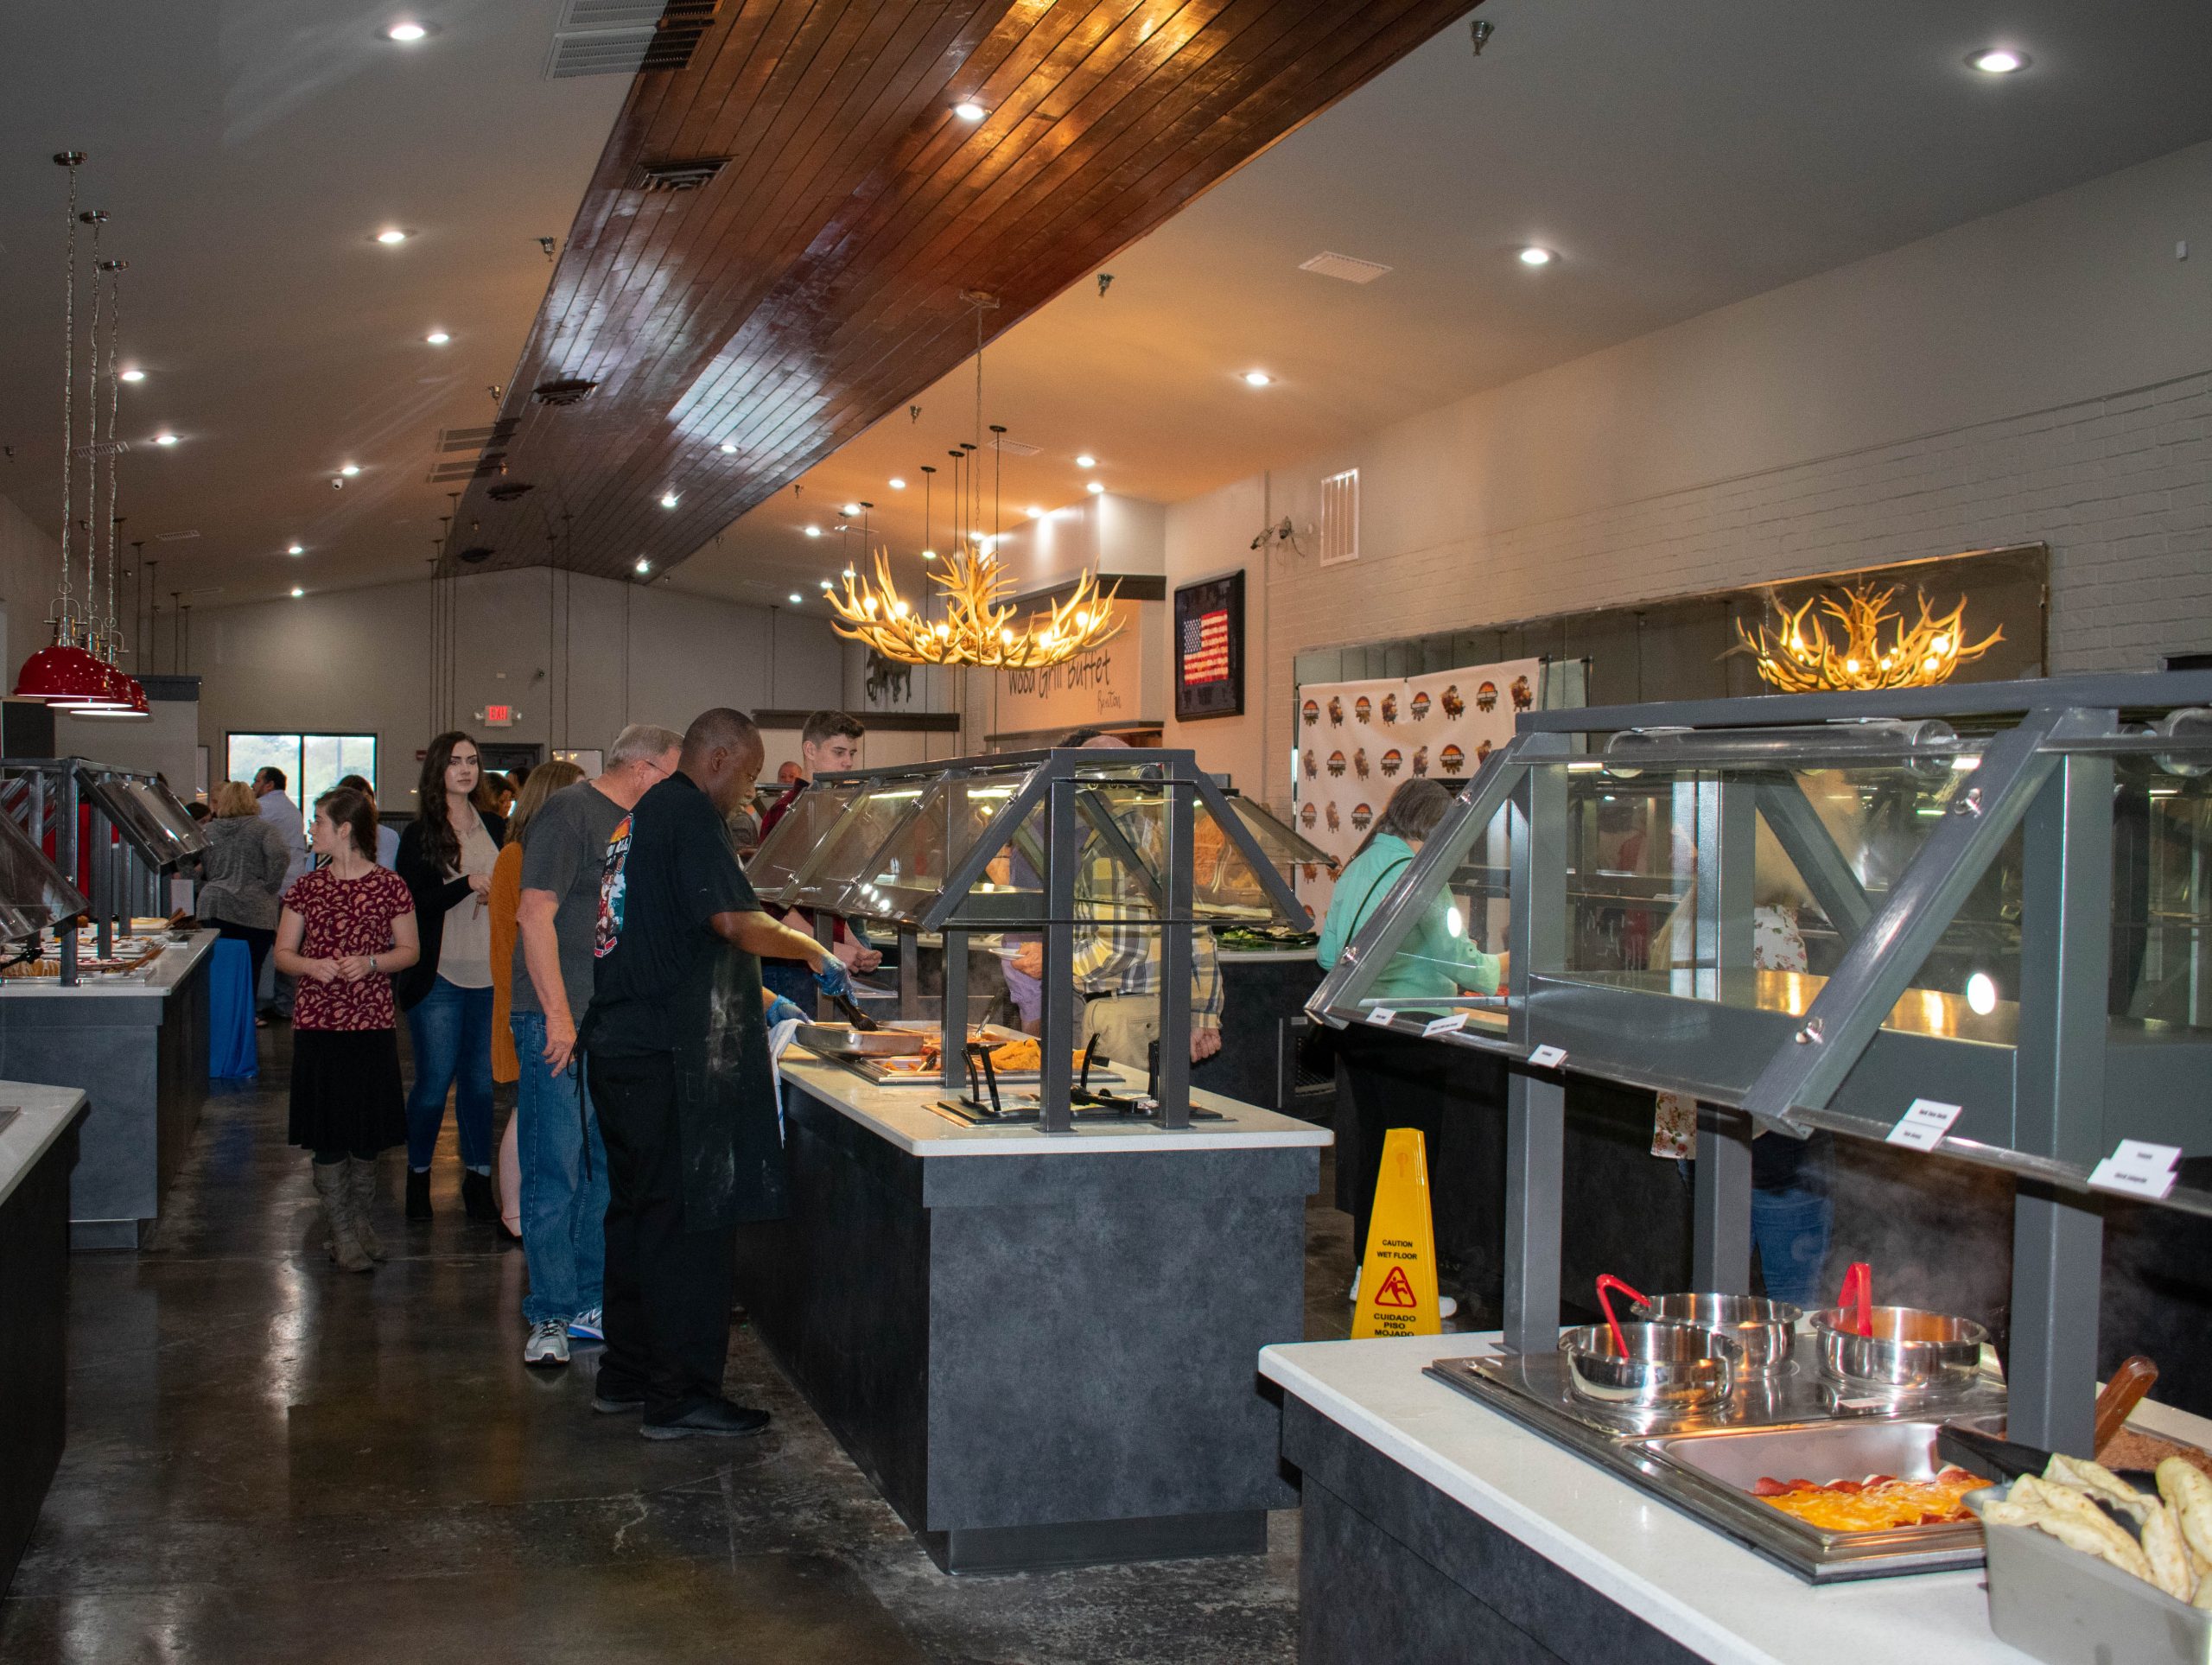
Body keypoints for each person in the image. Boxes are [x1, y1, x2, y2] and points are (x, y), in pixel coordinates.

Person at [582, 708, 842, 1438]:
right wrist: (811, 949)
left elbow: (671, 935)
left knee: (636, 1218)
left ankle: (626, 1373)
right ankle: (680, 1394)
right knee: (687, 1228)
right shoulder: (690, 814)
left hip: (622, 1047)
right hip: (669, 1055)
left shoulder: (641, 817)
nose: (749, 791)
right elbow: (731, 921)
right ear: (720, 758)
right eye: (751, 775)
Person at [511, 726, 681, 1368]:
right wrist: (558, 1017)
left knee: (605, 1167)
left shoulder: (637, 823)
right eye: (671, 776)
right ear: (643, 768)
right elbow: (534, 914)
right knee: (554, 1165)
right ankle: (550, 1309)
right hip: (558, 1018)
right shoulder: (571, 811)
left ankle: (589, 1298)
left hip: (612, 1020)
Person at [1316, 778, 1505, 1319]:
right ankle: (1410, 1280)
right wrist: (1498, 968)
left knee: (1377, 1150)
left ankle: (1367, 1271)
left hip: (1359, 1027)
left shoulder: (1361, 864)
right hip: (1410, 1031)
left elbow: (1329, 954)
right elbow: (1455, 956)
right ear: (1435, 824)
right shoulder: (1419, 873)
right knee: (1414, 1156)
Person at [1009, 730, 1224, 1068]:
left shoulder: (1110, 847)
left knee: (1111, 1101)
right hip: (1155, 1012)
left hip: (1119, 1020)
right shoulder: (1158, 835)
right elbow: (1197, 935)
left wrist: (1053, 959)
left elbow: (1120, 948)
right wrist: (1203, 1014)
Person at [273, 787, 420, 1274]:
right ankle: (340, 1229)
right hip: (318, 1024)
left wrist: (372, 962)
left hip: (371, 1021)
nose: (311, 828)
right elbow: (283, 953)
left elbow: (410, 950)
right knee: (329, 1130)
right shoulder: (307, 887)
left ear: (345, 829)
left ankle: (359, 1222)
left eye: (318, 820)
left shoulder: (390, 886)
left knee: (368, 1131)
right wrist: (311, 967)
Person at [395, 732, 507, 1223]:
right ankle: (418, 1175)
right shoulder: (418, 834)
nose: (466, 769)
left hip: (489, 974)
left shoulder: (497, 826)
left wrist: (498, 893)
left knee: (481, 1088)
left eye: (473, 761)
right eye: (456, 761)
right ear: (437, 768)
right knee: (434, 1085)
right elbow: (412, 904)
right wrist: (466, 885)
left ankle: (478, 1180)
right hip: (438, 975)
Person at [755, 710, 880, 1006]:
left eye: (851, 753)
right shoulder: (789, 811)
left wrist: (856, 947)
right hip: (792, 967)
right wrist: (827, 948)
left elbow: (825, 900)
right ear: (810, 750)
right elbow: (773, 903)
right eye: (838, 752)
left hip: (823, 959)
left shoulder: (835, 810)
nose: (848, 762)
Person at [196, 781, 294, 1017]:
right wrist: (270, 886)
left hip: (215, 904)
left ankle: (220, 1023)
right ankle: (245, 1021)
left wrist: (203, 885)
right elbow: (281, 855)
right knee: (251, 971)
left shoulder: (207, 831)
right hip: (255, 908)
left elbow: (185, 860)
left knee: (219, 972)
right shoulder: (264, 829)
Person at [253, 766, 310, 1018]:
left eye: (257, 781)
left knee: (280, 947)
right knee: (287, 945)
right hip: (291, 881)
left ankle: (283, 1003)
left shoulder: (266, 807)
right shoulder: (290, 807)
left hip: (278, 886)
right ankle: (285, 1002)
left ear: (269, 784)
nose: (253, 785)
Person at [338, 774, 400, 868]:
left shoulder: (389, 837)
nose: (363, 805)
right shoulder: (333, 837)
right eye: (356, 800)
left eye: (367, 798)